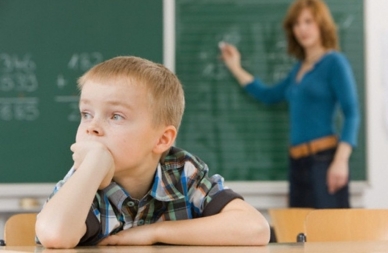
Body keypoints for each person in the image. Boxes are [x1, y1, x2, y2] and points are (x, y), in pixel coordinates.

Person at [35, 56, 270, 248]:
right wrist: (95, 162)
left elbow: (255, 228)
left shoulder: (182, 171)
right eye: (86, 114)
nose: (92, 127)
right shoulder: (84, 181)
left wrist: (156, 232)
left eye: (116, 116)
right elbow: (55, 235)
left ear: (162, 139)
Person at [219, 0, 360, 208]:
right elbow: (268, 95)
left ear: (321, 24)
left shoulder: (334, 63)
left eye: (308, 21)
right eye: (296, 24)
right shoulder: (297, 70)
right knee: (299, 235)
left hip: (324, 161)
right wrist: (235, 67)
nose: (301, 29)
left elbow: (352, 113)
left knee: (328, 236)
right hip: (297, 164)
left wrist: (340, 161)